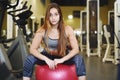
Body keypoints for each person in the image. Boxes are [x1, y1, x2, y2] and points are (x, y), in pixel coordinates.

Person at [23, 3, 86, 80]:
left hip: (63, 55)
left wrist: (62, 60)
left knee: (79, 59)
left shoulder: (67, 29)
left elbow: (76, 49)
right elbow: (32, 49)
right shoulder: (42, 30)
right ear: (47, 17)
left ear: (60, 15)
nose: (53, 18)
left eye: (56, 14)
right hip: (47, 55)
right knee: (29, 59)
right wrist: (46, 59)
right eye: (50, 15)